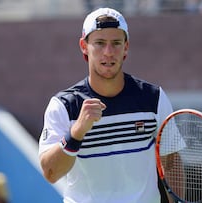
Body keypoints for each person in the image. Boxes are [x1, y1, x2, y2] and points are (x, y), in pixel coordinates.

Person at [38, 7, 183, 203]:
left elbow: (172, 164)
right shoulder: (63, 106)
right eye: (99, 43)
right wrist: (76, 133)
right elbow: (51, 172)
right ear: (84, 46)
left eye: (116, 43)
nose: (108, 52)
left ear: (126, 47)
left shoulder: (154, 98)